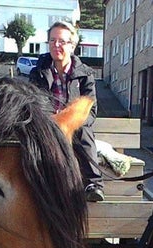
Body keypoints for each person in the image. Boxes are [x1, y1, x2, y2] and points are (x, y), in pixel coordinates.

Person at [28, 20, 105, 202]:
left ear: (72, 46)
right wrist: (50, 122)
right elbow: (32, 103)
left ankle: (93, 184)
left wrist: (71, 121)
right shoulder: (38, 72)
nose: (56, 45)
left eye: (62, 41)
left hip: (73, 127)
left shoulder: (85, 74)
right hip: (47, 126)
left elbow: (90, 110)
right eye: (52, 40)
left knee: (85, 130)